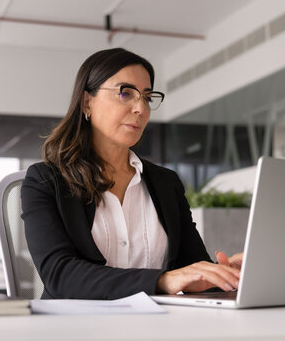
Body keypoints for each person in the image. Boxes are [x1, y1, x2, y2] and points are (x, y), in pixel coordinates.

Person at [21, 48, 242, 300]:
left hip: (156, 326)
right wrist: (160, 280)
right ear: (86, 102)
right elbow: (60, 275)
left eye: (147, 97)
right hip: (76, 328)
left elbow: (191, 265)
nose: (140, 108)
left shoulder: (165, 183)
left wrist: (222, 275)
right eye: (125, 93)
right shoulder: (45, 180)